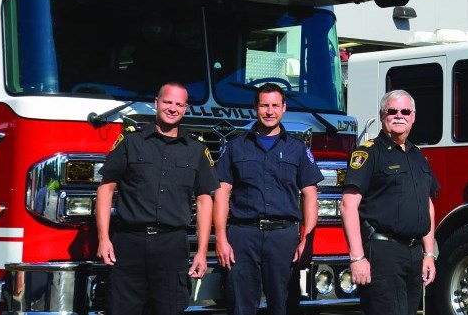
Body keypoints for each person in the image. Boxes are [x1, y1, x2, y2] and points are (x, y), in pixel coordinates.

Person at [96, 82, 218, 315]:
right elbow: (106, 188)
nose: (172, 108)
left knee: (169, 309)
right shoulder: (130, 142)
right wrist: (104, 238)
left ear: (185, 108)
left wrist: (201, 252)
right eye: (167, 102)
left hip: (172, 245)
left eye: (178, 104)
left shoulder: (196, 149)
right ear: (156, 103)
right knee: (122, 309)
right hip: (129, 241)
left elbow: (204, 201)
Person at [213, 83, 319, 315]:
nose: (269, 111)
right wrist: (221, 239)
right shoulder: (235, 147)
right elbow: (221, 194)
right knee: (240, 306)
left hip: (283, 238)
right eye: (264, 105)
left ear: (283, 108)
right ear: (255, 108)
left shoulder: (298, 149)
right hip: (243, 236)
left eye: (274, 106)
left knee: (283, 306)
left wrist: (306, 240)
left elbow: (310, 196)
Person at [342, 90, 440, 315]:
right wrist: (357, 258)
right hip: (383, 251)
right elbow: (348, 205)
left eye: (405, 111)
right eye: (392, 111)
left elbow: (426, 206)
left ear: (413, 116)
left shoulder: (418, 156)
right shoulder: (368, 153)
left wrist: (428, 254)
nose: (399, 116)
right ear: (381, 115)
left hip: (414, 253)